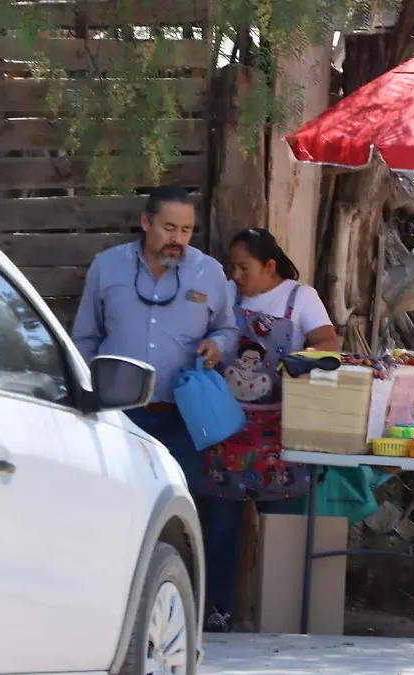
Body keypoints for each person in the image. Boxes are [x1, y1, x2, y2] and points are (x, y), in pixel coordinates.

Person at [70, 185, 238, 619]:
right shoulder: (107, 267)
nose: (177, 239)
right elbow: (85, 338)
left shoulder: (210, 273)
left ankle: (208, 611)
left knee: (197, 509)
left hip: (183, 418)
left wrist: (217, 347)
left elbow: (229, 331)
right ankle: (109, 606)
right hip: (122, 416)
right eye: (168, 227)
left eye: (186, 230)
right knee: (119, 509)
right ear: (146, 223)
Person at [193, 228, 340, 633]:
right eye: (232, 266)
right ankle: (217, 611)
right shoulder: (225, 293)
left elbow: (329, 341)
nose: (236, 274)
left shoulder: (299, 297)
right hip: (225, 428)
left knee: (281, 528)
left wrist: (303, 359)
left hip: (279, 432)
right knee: (220, 526)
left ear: (269, 266)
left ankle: (280, 615)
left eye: (244, 267)